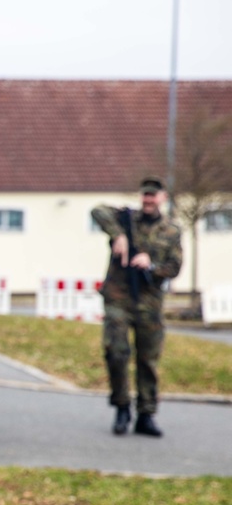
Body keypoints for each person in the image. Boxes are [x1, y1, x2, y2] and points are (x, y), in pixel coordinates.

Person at [91, 175, 182, 438]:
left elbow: (174, 268)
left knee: (148, 359)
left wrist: (150, 264)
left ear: (163, 198)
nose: (149, 200)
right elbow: (97, 210)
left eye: (153, 195)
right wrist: (117, 234)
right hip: (119, 298)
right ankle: (121, 407)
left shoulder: (171, 231)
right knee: (116, 352)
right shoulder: (125, 219)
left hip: (149, 303)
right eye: (145, 195)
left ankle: (146, 413)